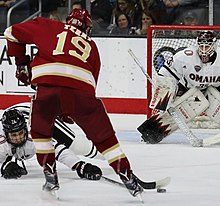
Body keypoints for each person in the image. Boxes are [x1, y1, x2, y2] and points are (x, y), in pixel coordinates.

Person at [4, 8, 143, 198]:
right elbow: (90, 85)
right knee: (106, 139)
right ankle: (127, 176)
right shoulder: (92, 47)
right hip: (81, 94)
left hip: (47, 90)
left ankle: (50, 175)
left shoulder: (49, 25)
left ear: (67, 21)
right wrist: (69, 109)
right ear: (87, 28)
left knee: (41, 134)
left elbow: (10, 33)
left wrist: (21, 64)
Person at [138, 31, 220, 144]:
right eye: (202, 46)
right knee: (179, 111)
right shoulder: (184, 57)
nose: (204, 50)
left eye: (207, 46)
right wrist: (165, 98)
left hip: (215, 90)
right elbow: (165, 76)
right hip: (189, 89)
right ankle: (151, 132)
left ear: (214, 46)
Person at [0, 107, 103, 180]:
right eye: (14, 135)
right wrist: (5, 166)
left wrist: (80, 166)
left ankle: (114, 156)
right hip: (19, 116)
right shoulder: (1, 142)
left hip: (38, 116)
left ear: (26, 130)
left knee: (78, 146)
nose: (18, 138)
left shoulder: (34, 133)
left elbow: (57, 150)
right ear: (5, 134)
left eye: (21, 133)